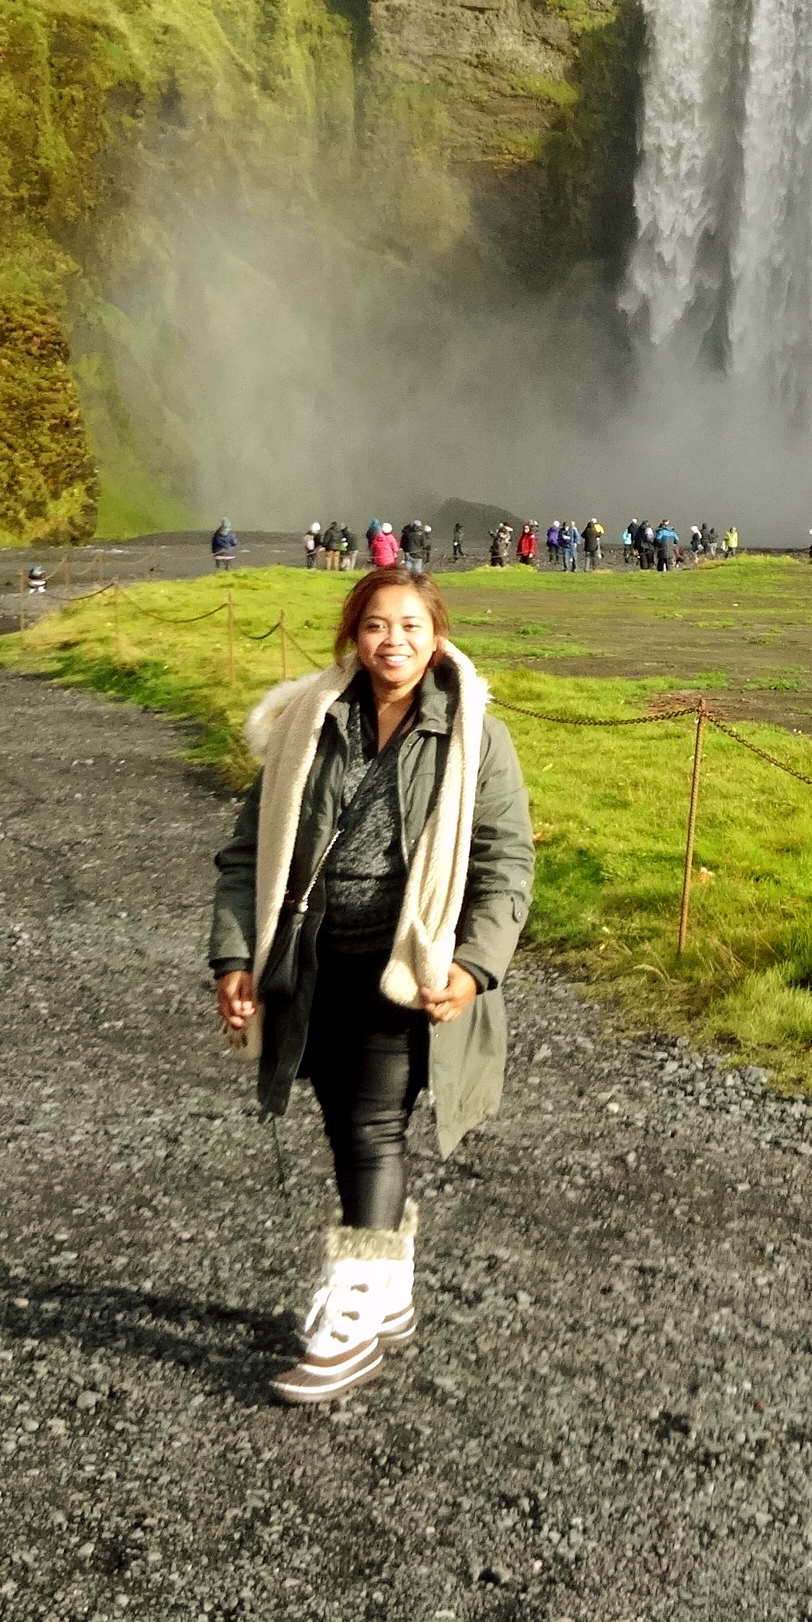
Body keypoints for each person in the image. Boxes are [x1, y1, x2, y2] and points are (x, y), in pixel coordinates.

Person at [208, 564, 533, 1406]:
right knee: (345, 1119)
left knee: (371, 1124)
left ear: (438, 636)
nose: (394, 641)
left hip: (406, 969)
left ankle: (351, 1315)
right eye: (377, 626)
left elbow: (507, 862)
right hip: (312, 963)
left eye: (411, 627)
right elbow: (249, 852)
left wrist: (473, 965)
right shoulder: (306, 724)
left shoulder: (473, 734)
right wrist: (234, 956)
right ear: (353, 635)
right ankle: (387, 1288)